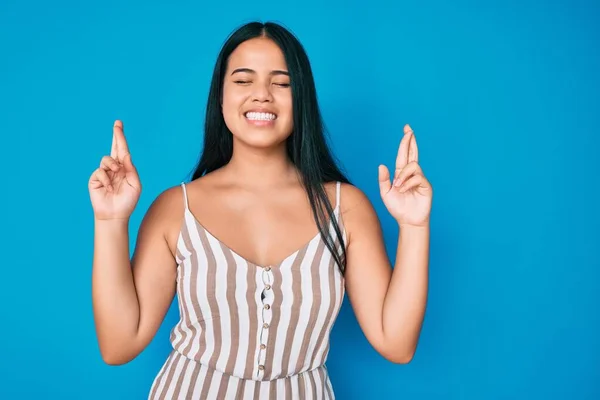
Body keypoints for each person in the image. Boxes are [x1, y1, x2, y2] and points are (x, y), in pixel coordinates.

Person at [89, 21, 432, 399]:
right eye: (243, 80)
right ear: (220, 97)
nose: (262, 95)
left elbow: (396, 344)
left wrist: (414, 225)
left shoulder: (345, 208)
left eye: (282, 83)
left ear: (301, 98)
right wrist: (111, 218)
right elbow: (119, 345)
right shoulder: (175, 209)